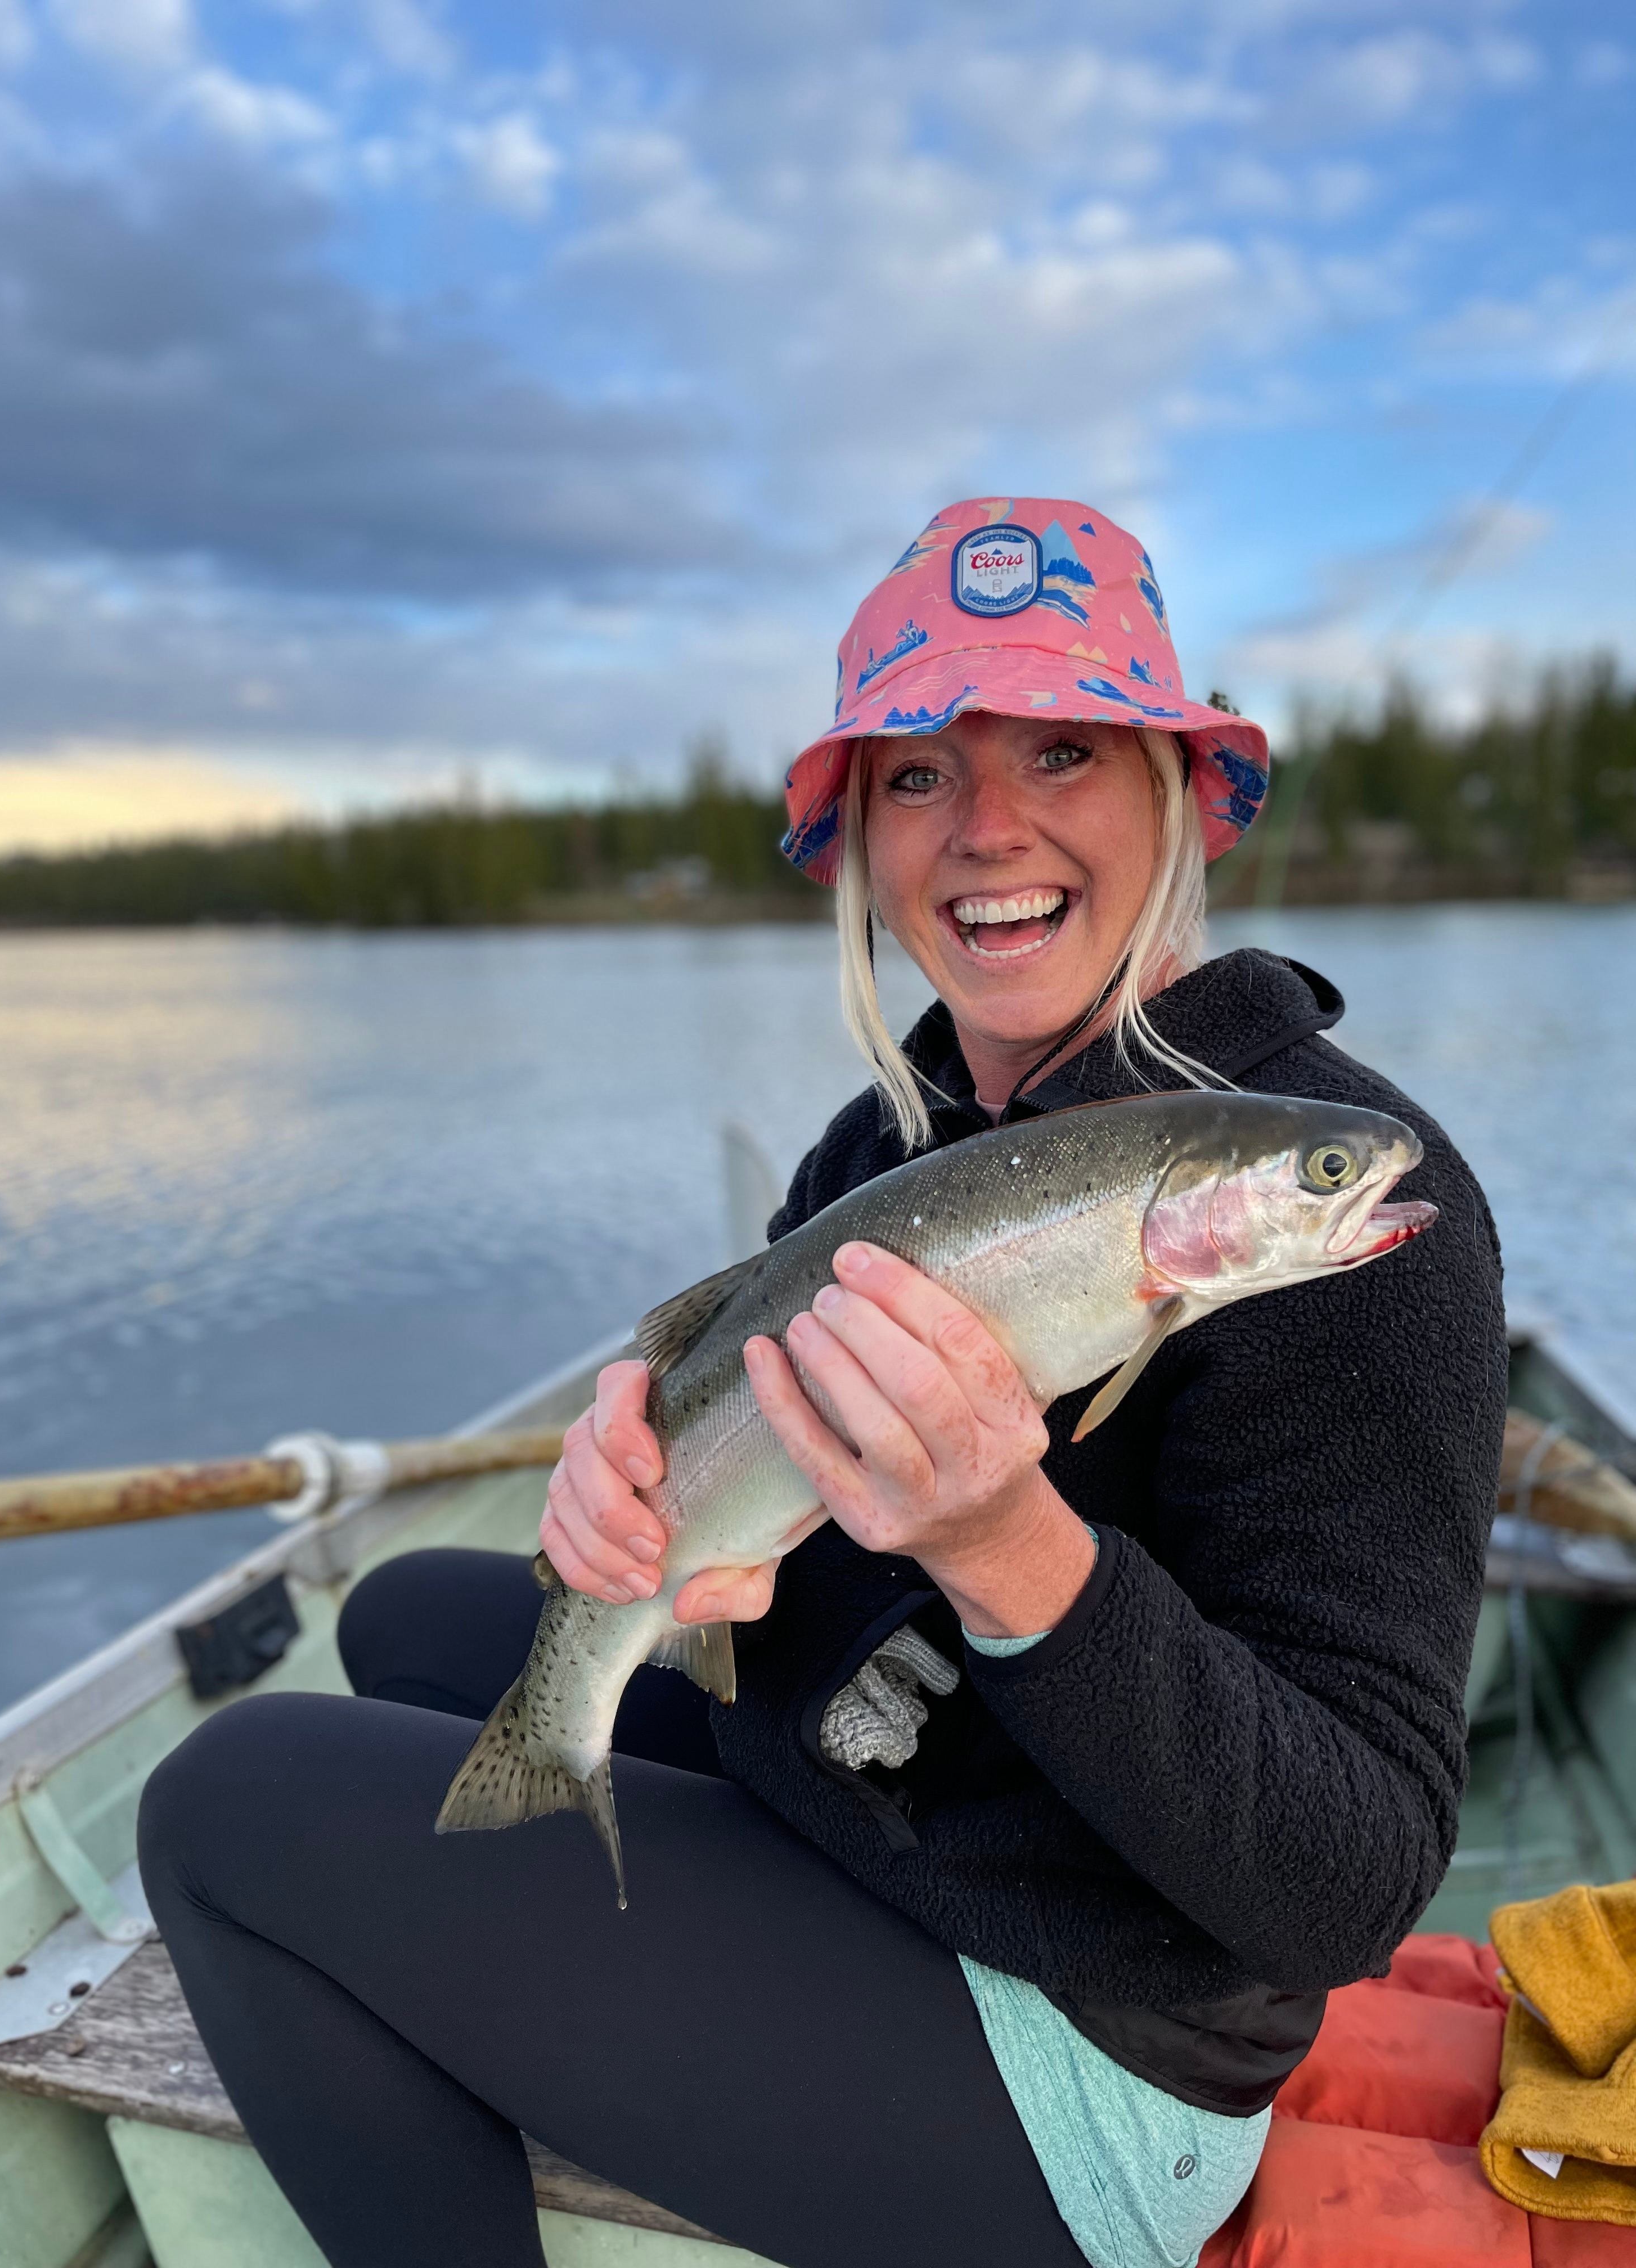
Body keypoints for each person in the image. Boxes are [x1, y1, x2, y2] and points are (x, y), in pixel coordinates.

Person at [140, 497, 1507, 2268]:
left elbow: (1346, 1889)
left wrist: (1007, 1541)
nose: (986, 828)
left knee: (224, 1804)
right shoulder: (887, 1144)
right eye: (919, 775)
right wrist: (644, 1509)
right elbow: (765, 1556)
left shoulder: (1359, 1224)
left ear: (1183, 796)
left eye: (1064, 750)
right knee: (407, 1614)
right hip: (893, 1817)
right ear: (859, 835)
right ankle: (539, 2007)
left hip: (1100, 2042)